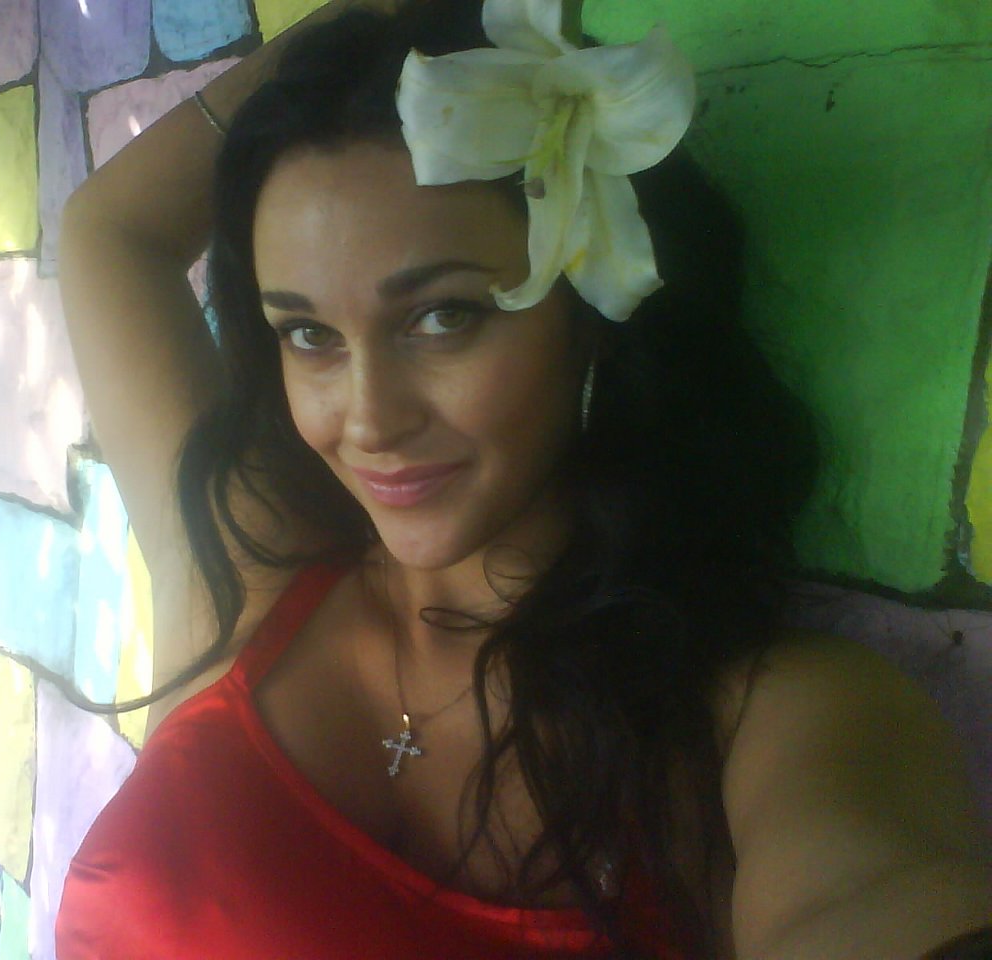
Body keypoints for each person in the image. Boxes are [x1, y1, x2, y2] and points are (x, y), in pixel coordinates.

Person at [53, 0, 992, 956]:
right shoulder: (245, 578)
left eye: (443, 317)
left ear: (591, 315)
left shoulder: (769, 720)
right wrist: (385, 21)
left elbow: (866, 890)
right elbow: (106, 232)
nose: (368, 420)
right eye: (309, 334)